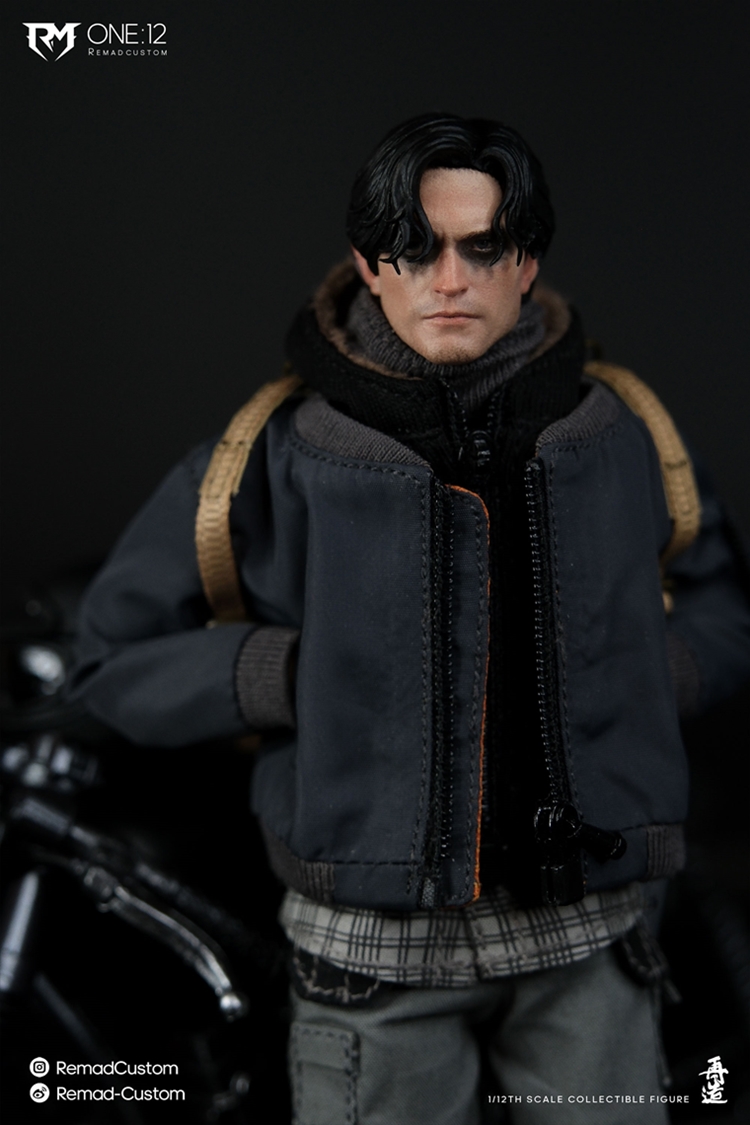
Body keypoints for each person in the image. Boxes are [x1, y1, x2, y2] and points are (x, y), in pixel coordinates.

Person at [71, 114, 750, 1124]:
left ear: (527, 262)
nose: (450, 280)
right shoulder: (275, 454)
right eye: (415, 249)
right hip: (370, 951)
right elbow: (110, 658)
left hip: (588, 936)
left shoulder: (618, 436)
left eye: (484, 247)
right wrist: (280, 674)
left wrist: (651, 670)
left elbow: (720, 603)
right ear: (367, 264)